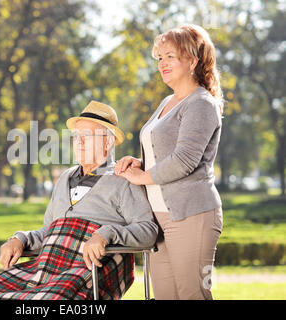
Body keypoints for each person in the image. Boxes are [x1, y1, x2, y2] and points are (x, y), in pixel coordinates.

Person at [0, 101, 158, 300]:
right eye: (76, 136)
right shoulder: (65, 177)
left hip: (87, 269)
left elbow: (148, 231)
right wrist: (20, 239)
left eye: (87, 136)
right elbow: (49, 232)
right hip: (47, 268)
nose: (79, 142)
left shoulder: (124, 179)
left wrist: (105, 234)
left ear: (107, 142)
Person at [115, 24, 224, 300]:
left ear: (192, 60)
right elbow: (161, 154)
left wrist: (142, 177)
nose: (162, 64)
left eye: (170, 57)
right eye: (160, 57)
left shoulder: (201, 103)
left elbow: (185, 160)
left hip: (192, 214)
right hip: (158, 219)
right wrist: (139, 163)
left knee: (193, 294)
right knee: (164, 295)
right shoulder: (167, 101)